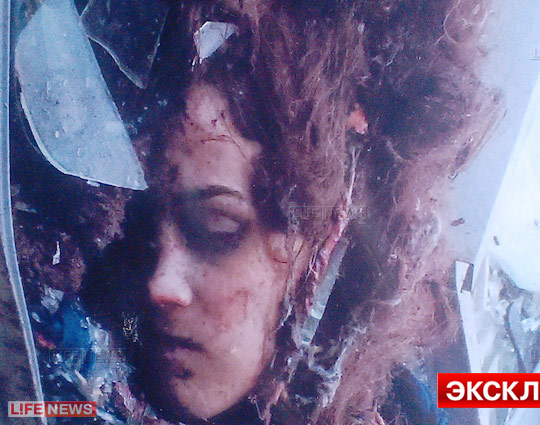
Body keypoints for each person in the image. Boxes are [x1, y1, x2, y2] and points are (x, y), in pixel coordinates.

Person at [71, 0, 497, 424]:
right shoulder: (69, 373)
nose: (160, 285)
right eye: (141, 230)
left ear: (329, 246)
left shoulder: (423, 406)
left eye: (217, 229)